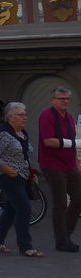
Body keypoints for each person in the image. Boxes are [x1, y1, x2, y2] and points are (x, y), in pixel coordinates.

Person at [0, 102, 43, 257]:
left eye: (25, 114)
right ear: (10, 117)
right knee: (24, 209)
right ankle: (25, 246)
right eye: (21, 115)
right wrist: (6, 169)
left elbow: (24, 156)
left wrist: (31, 174)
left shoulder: (22, 133)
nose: (24, 117)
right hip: (7, 176)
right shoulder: (3, 134)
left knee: (11, 209)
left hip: (22, 175)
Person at [37, 86, 80, 253]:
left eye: (67, 99)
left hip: (70, 165)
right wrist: (76, 144)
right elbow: (49, 141)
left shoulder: (68, 117)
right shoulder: (47, 116)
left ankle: (65, 235)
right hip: (53, 165)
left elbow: (69, 140)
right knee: (60, 202)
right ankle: (61, 240)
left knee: (78, 199)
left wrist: (76, 160)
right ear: (53, 100)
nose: (65, 102)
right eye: (61, 99)